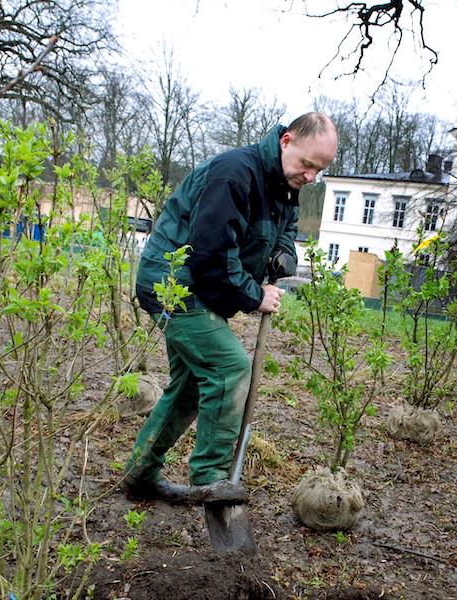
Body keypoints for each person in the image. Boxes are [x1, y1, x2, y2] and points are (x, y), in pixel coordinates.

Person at [122, 112, 338, 505]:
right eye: (307, 165)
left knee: (189, 387)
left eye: (318, 172)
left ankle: (141, 473)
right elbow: (211, 256)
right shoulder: (234, 174)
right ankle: (210, 476)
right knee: (228, 367)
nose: (309, 177)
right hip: (173, 284)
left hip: (201, 287)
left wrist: (283, 255)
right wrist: (255, 295)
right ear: (286, 141)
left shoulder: (285, 184)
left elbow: (286, 228)